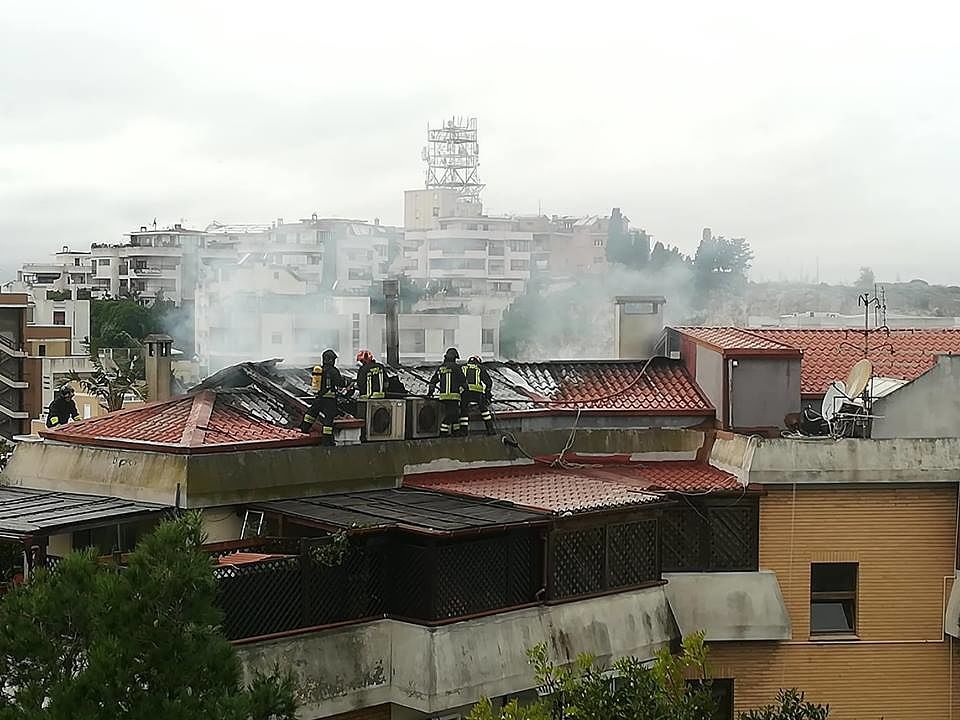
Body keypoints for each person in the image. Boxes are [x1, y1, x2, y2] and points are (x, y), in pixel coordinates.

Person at [300, 349, 344, 445]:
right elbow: (339, 383)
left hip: (319, 398)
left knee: (311, 414)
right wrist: (345, 381)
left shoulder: (319, 370)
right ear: (331, 360)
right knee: (328, 420)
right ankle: (327, 440)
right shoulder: (333, 371)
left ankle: (303, 429)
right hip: (329, 400)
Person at [427, 347, 467, 437]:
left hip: (443, 397)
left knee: (455, 415)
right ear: (454, 357)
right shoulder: (456, 367)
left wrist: (430, 392)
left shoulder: (441, 368)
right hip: (454, 396)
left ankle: (456, 431)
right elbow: (463, 381)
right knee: (451, 414)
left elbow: (433, 381)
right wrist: (466, 392)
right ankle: (443, 432)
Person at [461, 355, 495, 435]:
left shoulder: (462, 367)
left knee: (464, 411)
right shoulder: (480, 368)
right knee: (484, 410)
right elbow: (488, 382)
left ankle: (463, 431)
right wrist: (488, 393)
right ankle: (490, 429)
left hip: (465, 392)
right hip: (477, 393)